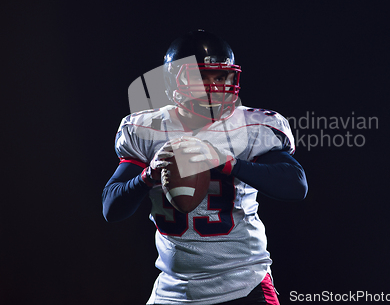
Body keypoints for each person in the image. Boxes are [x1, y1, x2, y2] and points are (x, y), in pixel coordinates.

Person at [102, 30, 308, 304]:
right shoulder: (147, 130)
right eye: (201, 77)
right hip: (174, 292)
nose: (213, 86)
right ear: (174, 80)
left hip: (243, 285)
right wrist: (147, 175)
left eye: (220, 77)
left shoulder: (252, 127)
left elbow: (296, 185)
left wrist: (227, 163)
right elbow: (111, 208)